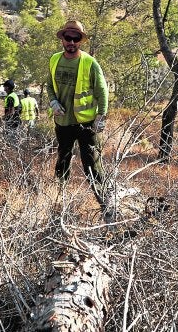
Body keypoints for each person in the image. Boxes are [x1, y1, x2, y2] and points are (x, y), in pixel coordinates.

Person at [47, 20, 115, 221]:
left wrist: (101, 117)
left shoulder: (89, 63)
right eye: (68, 38)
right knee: (62, 161)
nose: (72, 42)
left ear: (80, 41)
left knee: (93, 166)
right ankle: (61, 203)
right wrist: (53, 102)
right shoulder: (54, 60)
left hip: (87, 125)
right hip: (63, 123)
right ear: (62, 39)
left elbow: (102, 91)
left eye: (76, 38)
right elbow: (49, 85)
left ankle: (107, 208)